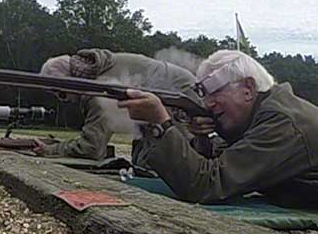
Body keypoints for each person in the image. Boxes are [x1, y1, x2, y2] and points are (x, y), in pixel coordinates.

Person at [117, 49, 318, 207]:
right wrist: (203, 139)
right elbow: (220, 164)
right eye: (205, 96)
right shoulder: (263, 114)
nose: (207, 104)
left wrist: (160, 123)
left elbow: (206, 185)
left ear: (248, 89)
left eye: (214, 93)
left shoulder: (283, 123)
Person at [39, 48, 200, 166]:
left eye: (61, 93)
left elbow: (91, 149)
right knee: (143, 162)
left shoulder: (100, 88)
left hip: (181, 100)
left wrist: (49, 150)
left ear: (68, 81)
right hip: (178, 93)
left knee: (178, 166)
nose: (63, 100)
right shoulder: (101, 68)